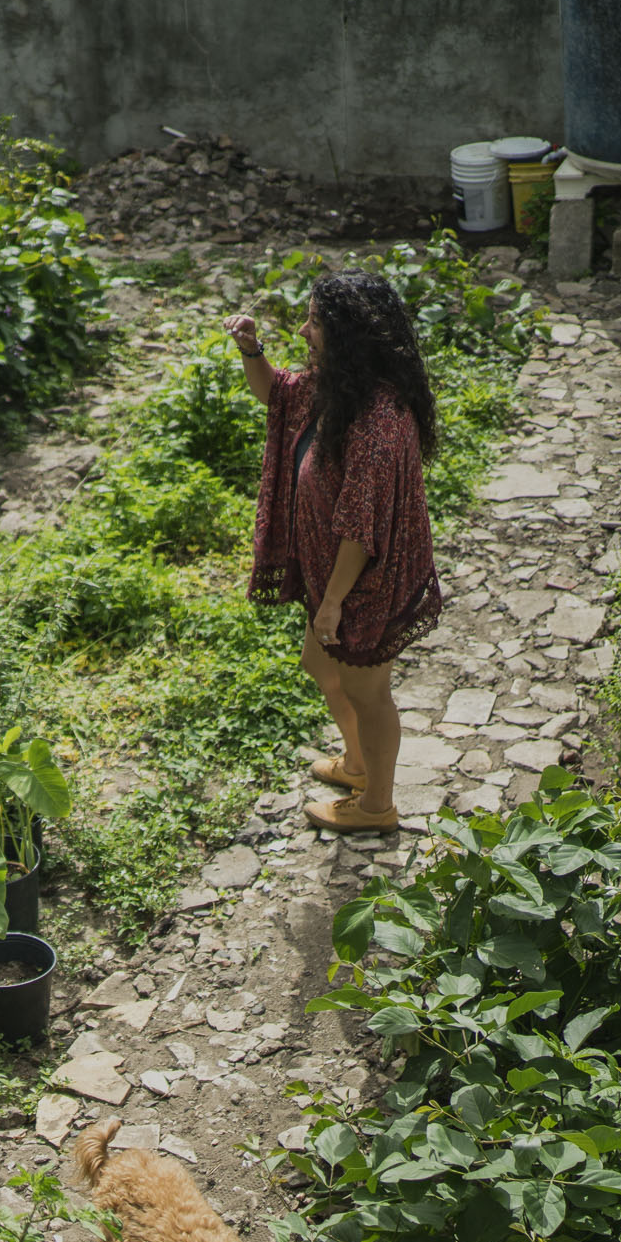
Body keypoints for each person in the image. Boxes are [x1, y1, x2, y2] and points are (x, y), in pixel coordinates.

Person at [226, 270, 443, 832]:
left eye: (316, 323)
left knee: (367, 691)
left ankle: (378, 807)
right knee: (321, 665)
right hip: (336, 575)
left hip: (366, 579)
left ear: (348, 334)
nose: (303, 331)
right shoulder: (341, 389)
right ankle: (357, 764)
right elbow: (278, 396)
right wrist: (253, 350)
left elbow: (359, 527)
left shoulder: (380, 419)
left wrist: (332, 605)